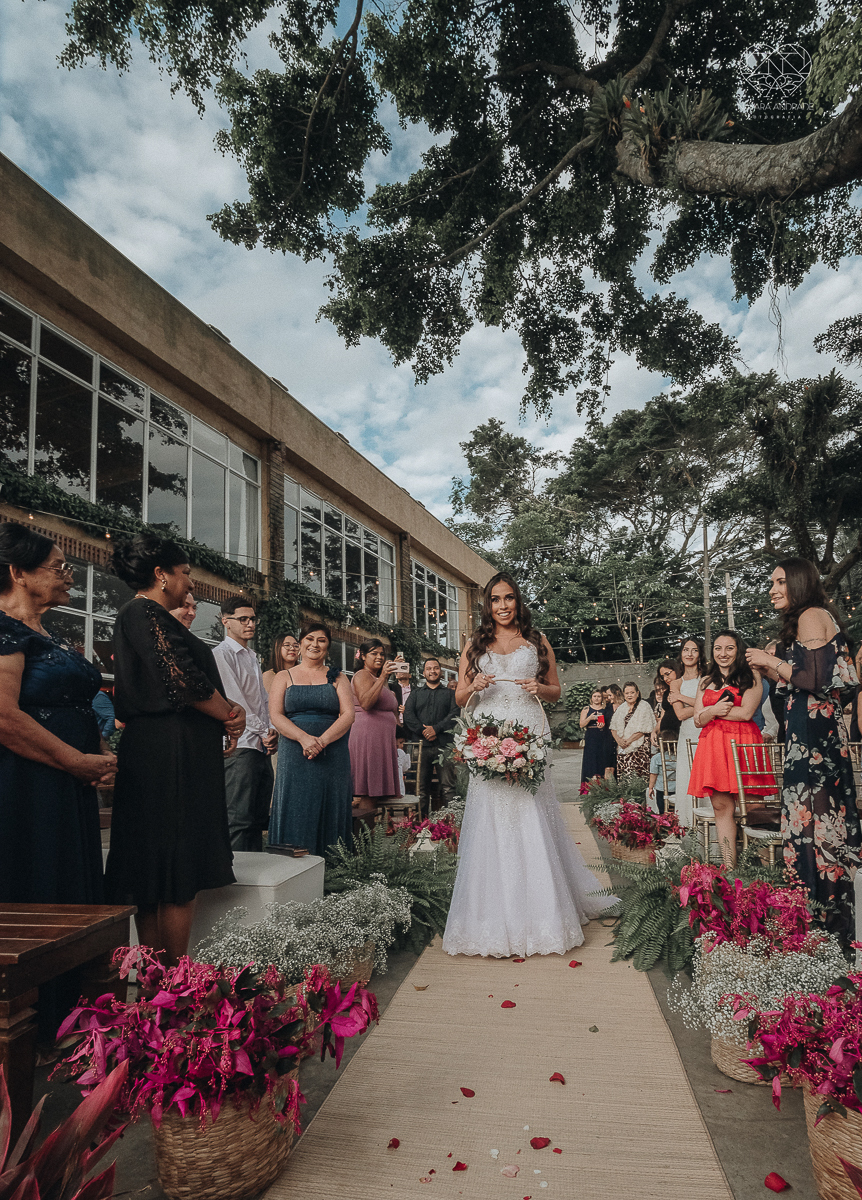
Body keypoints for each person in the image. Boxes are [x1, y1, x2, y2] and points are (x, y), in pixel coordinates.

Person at [442, 572, 616, 958]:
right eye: (495, 600)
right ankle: (488, 917)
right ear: (487, 605)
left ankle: (543, 916)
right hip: (485, 737)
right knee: (490, 819)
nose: (503, 606)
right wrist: (474, 686)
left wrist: (541, 689)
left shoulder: (536, 641)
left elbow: (556, 690)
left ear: (518, 602)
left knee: (530, 814)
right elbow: (458, 698)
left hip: (527, 736)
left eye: (509, 598)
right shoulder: (474, 644)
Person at [105, 533, 245, 964]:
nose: (190, 583)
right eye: (184, 574)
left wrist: (227, 712)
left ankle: (156, 985)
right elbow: (180, 679)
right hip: (168, 754)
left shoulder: (150, 616)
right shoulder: (143, 613)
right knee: (172, 866)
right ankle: (170, 983)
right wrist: (227, 713)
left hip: (170, 749)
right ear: (161, 575)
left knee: (157, 869)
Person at [0, 523, 117, 907]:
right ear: (18, 572)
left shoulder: (51, 634)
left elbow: (77, 704)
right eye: (59, 567)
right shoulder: (4, 630)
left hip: (70, 779)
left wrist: (99, 755)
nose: (70, 576)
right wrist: (75, 760)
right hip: (28, 782)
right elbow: (3, 715)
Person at [746, 558, 862, 940]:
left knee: (817, 829)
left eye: (780, 582)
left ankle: (826, 925)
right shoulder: (806, 621)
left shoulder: (812, 614)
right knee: (808, 826)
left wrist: (771, 660)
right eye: (772, 582)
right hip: (806, 737)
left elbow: (813, 679)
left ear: (798, 582)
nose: (773, 589)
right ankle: (814, 919)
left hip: (816, 742)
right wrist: (772, 670)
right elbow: (804, 681)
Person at [689, 630, 775, 867]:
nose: (723, 653)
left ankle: (766, 869)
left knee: (754, 805)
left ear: (738, 650)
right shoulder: (705, 680)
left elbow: (747, 712)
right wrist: (711, 712)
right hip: (713, 745)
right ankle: (730, 869)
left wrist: (712, 712)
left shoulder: (752, 676)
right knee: (721, 805)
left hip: (744, 743)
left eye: (729, 648)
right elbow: (696, 719)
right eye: (718, 648)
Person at [268, 622, 354, 855]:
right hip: (294, 750)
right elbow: (276, 714)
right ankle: (291, 866)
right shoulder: (284, 676)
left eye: (321, 640)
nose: (314, 644)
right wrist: (305, 739)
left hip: (332, 751)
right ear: (301, 643)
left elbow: (348, 715)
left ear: (328, 646)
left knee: (331, 805)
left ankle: (335, 871)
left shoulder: (338, 677)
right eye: (309, 639)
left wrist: (322, 741)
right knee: (295, 804)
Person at [212, 597, 277, 852]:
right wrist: (263, 732)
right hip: (240, 746)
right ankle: (237, 881)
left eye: (252, 619)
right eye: (243, 619)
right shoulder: (221, 654)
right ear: (226, 621)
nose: (250, 624)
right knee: (237, 820)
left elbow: (262, 700)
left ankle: (255, 878)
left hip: (259, 746)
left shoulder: (251, 655)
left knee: (256, 820)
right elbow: (235, 704)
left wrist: (271, 731)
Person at [349, 639, 402, 817]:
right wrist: (383, 677)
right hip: (368, 738)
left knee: (376, 793)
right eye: (374, 653)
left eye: (381, 654)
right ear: (363, 656)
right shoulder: (362, 675)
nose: (379, 657)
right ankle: (363, 837)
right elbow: (366, 703)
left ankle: (369, 836)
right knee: (368, 791)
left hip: (381, 740)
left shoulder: (379, 679)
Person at [402, 657, 460, 808]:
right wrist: (423, 731)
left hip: (444, 746)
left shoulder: (449, 694)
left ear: (440, 672)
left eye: (435, 668)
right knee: (420, 790)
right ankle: (421, 827)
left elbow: (454, 714)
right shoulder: (415, 694)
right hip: (420, 746)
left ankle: (452, 826)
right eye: (429, 668)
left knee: (448, 788)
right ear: (423, 673)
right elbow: (408, 715)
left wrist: (436, 729)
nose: (432, 671)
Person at [668, 637, 707, 826]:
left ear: (700, 654)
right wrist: (706, 706)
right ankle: (687, 826)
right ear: (681, 654)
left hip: (707, 731)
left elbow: (713, 702)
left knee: (707, 778)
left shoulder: (708, 678)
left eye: (694, 650)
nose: (689, 654)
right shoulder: (675, 683)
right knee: (687, 777)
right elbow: (681, 714)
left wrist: (684, 697)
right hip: (687, 734)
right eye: (685, 650)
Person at [609, 682, 655, 780]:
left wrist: (629, 741)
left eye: (632, 692)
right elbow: (613, 727)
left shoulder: (644, 706)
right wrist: (619, 740)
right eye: (627, 693)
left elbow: (644, 728)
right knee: (624, 776)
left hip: (639, 747)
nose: (629, 695)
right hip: (622, 747)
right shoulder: (621, 708)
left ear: (637, 693)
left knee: (638, 775)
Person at [579, 687, 614, 782]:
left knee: (602, 759)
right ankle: (588, 784)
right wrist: (590, 718)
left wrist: (603, 725)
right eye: (594, 696)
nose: (596, 698)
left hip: (603, 736)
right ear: (591, 698)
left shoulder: (605, 709)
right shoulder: (586, 709)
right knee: (590, 760)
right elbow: (581, 724)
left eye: (599, 696)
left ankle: (601, 784)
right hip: (591, 736)